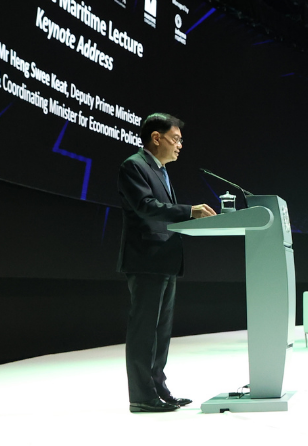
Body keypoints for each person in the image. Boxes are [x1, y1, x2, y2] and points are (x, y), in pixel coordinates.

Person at [118, 113, 216, 413]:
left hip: (165, 260)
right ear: (156, 138)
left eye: (181, 141)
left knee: (160, 331)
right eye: (176, 139)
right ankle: (141, 396)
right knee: (144, 331)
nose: (179, 146)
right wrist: (189, 211)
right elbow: (146, 207)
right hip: (146, 259)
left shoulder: (161, 171)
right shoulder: (133, 166)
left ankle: (158, 389)